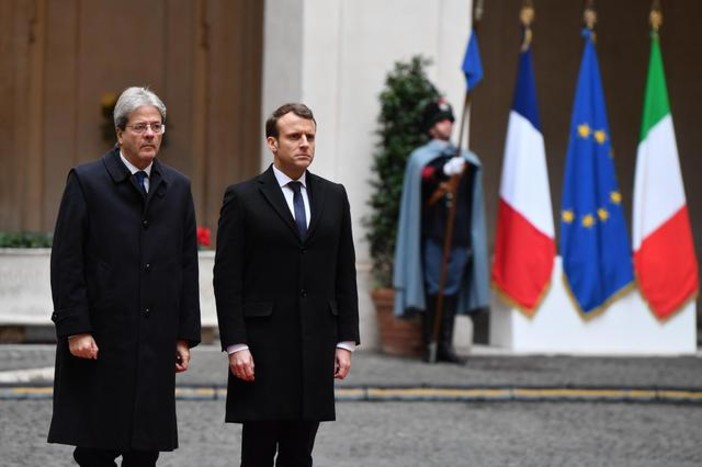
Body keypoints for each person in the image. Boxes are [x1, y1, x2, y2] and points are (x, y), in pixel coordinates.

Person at [48, 86, 202, 466]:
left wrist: (184, 334)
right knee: (95, 447)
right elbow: (66, 261)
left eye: (156, 126)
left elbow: (186, 264)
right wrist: (76, 328)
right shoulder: (86, 181)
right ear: (120, 133)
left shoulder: (178, 188)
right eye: (140, 127)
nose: (150, 134)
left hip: (155, 340)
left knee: (145, 449)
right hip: (101, 337)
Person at [213, 102, 360, 467]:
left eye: (310, 136)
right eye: (295, 136)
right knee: (259, 454)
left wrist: (345, 341)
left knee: (300, 454)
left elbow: (345, 270)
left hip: (316, 344)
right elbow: (227, 276)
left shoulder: (334, 195)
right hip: (262, 348)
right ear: (272, 143)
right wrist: (235, 344)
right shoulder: (243, 197)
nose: (305, 144)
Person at [393, 97, 489, 364]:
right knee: (434, 286)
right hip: (433, 233)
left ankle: (445, 343)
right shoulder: (422, 159)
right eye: (440, 120)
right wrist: (442, 171)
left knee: (452, 288)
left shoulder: (466, 159)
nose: (446, 125)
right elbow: (425, 177)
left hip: (458, 234)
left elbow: (471, 192)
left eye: (449, 120)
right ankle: (430, 342)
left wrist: (461, 169)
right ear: (430, 127)